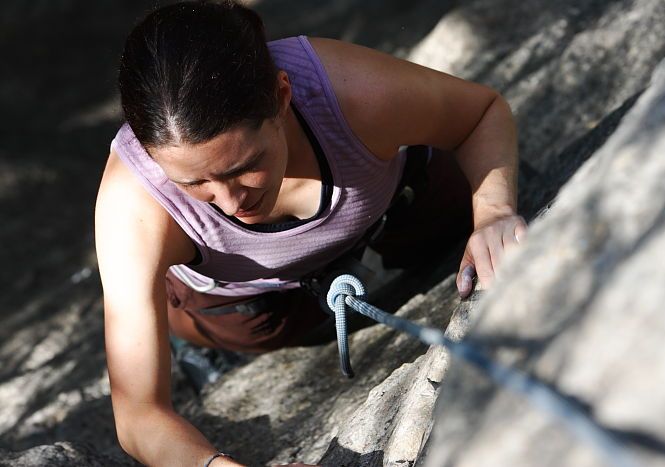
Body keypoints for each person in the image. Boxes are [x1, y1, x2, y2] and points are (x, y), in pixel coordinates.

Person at [94, 1, 527, 466]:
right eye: (193, 183)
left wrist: (493, 213)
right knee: (252, 329)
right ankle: (200, 337)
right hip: (248, 296)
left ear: (282, 96)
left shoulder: (347, 91)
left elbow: (481, 113)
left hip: (388, 206)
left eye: (245, 167)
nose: (230, 201)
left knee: (453, 202)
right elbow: (139, 414)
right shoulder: (133, 202)